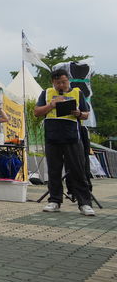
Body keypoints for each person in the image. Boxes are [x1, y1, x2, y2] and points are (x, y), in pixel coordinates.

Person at [35, 69, 94, 216]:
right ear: (52, 82)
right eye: (57, 83)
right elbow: (37, 112)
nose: (61, 85)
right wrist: (52, 104)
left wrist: (79, 113)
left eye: (63, 82)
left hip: (72, 137)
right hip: (52, 137)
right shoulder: (46, 93)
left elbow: (86, 114)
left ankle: (85, 203)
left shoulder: (77, 92)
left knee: (78, 171)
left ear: (68, 80)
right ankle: (54, 201)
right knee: (54, 171)